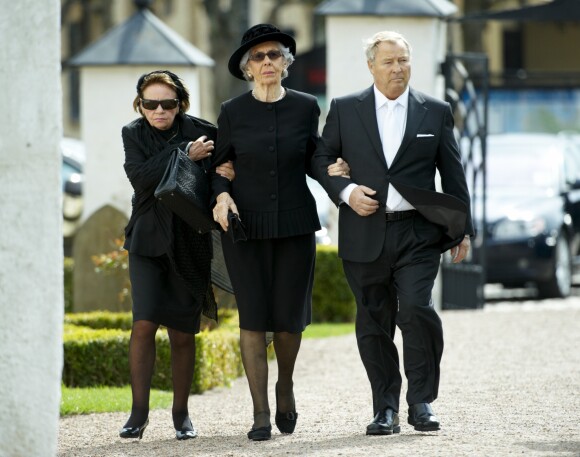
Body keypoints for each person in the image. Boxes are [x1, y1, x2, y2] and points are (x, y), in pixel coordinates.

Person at [312, 31, 475, 435]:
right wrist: (346, 192)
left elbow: (453, 173)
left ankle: (421, 401)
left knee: (417, 310)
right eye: (388, 61)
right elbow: (320, 156)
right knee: (373, 322)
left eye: (403, 60)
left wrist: (461, 230)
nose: (397, 68)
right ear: (371, 66)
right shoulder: (345, 108)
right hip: (363, 232)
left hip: (418, 234)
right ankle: (385, 407)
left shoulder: (434, 110)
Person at [211, 24, 348, 441]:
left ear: (286, 64)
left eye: (274, 55)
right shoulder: (232, 111)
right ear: (247, 68)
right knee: (252, 318)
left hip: (294, 224)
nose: (267, 62)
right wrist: (221, 196)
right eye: (258, 57)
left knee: (289, 322)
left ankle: (284, 384)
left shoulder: (307, 106)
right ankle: (259, 412)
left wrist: (337, 178)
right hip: (245, 229)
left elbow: (313, 158)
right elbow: (220, 165)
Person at [120, 70, 234, 440]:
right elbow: (141, 178)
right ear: (140, 104)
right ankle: (138, 415)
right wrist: (184, 152)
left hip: (190, 241)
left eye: (167, 104)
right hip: (147, 242)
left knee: (183, 333)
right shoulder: (132, 133)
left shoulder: (205, 130)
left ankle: (181, 415)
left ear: (179, 103)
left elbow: (220, 173)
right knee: (144, 324)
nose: (158, 110)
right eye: (149, 104)